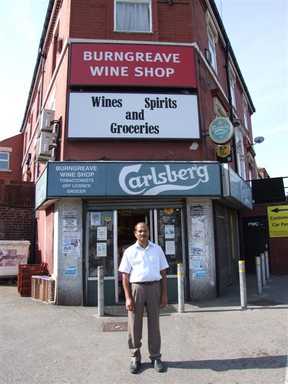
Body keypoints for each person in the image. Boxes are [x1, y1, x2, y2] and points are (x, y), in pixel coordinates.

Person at [118, 222, 169, 374]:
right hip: (137, 289)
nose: (142, 233)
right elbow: (125, 277)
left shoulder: (157, 249)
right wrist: (127, 297)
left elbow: (164, 273)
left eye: (145, 231)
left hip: (154, 287)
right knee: (134, 324)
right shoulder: (129, 251)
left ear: (149, 232)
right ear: (135, 233)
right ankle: (135, 356)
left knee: (155, 324)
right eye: (140, 231)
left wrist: (164, 294)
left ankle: (155, 357)